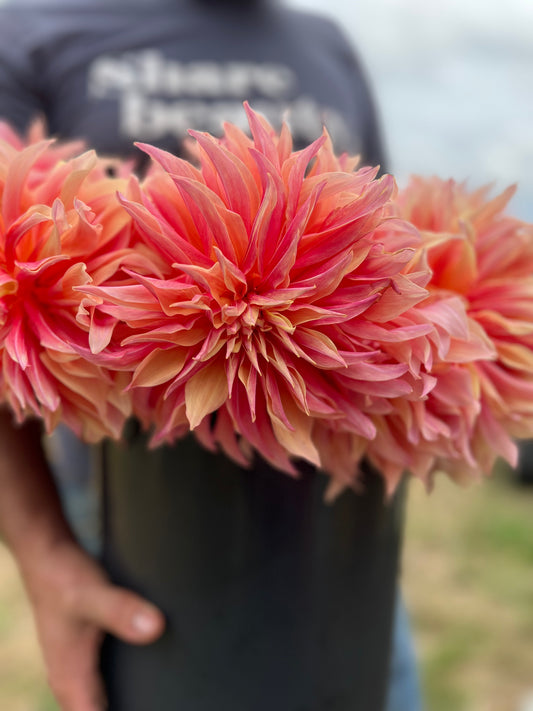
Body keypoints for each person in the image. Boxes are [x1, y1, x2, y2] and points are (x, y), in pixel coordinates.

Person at [0, 0, 422, 709]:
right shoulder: (33, 28)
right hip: (135, 515)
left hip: (339, 522)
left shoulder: (326, 43)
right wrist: (47, 559)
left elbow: (391, 252)